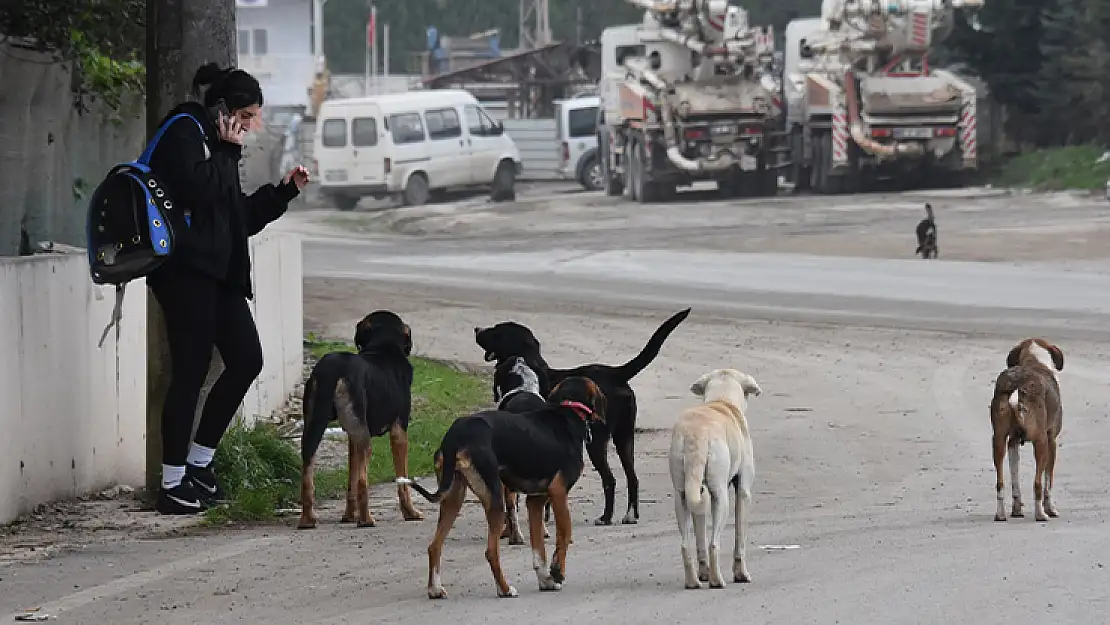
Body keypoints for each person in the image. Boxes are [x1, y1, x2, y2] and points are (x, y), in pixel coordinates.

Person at [145, 62, 310, 514]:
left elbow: (235, 218)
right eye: (248, 116)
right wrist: (227, 151)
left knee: (246, 360)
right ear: (226, 111)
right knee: (191, 374)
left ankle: (200, 464)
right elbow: (197, 193)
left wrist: (283, 193)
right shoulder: (185, 130)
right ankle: (172, 483)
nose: (252, 127)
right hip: (185, 275)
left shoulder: (216, 147)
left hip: (220, 278)